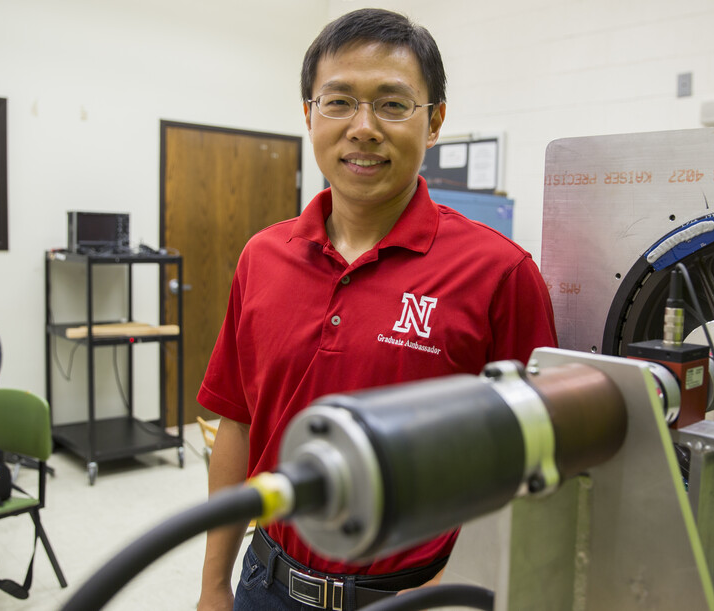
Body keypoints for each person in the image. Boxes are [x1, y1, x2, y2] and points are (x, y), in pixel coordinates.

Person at [197, 8, 557, 610]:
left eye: (392, 104)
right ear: (308, 114)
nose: (363, 128)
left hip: (418, 596)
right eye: (338, 102)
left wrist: (447, 592)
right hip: (269, 584)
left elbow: (535, 461)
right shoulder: (262, 257)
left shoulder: (500, 274)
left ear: (435, 120)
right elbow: (235, 424)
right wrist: (213, 586)